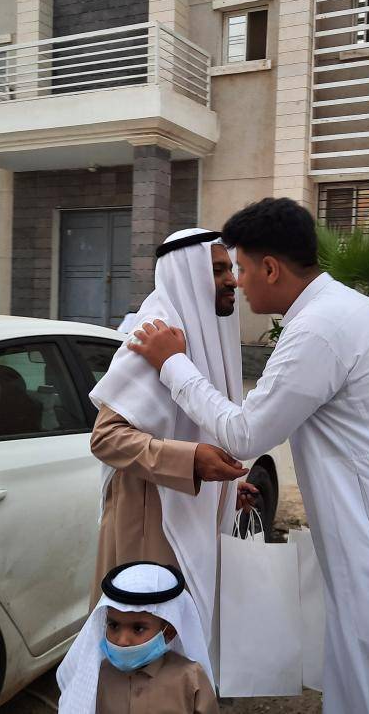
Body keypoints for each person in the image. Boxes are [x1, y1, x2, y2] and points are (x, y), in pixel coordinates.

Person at [130, 198, 369, 713]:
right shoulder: (345, 309)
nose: (237, 283)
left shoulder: (320, 328)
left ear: (271, 268)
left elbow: (245, 433)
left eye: (242, 269)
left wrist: (173, 364)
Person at [88, 228, 256, 674]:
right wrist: (192, 461)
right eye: (217, 270)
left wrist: (226, 489)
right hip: (149, 521)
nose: (232, 280)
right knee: (148, 660)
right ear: (187, 273)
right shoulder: (156, 334)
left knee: (182, 655)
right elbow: (106, 437)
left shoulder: (201, 335)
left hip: (187, 508)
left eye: (231, 268)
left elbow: (197, 422)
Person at [57, 561, 219, 714]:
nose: (122, 641)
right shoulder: (96, 676)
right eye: (114, 626)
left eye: (138, 629)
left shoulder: (190, 679)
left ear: (168, 633)